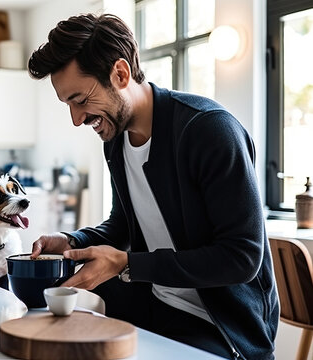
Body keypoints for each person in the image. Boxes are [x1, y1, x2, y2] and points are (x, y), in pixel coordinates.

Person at [28, 13, 278, 360]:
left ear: (120, 74)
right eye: (68, 104)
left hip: (221, 329)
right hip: (156, 305)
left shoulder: (209, 131)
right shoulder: (115, 142)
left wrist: (128, 263)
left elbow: (242, 257)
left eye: (81, 100)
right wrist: (74, 241)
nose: (76, 119)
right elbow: (123, 225)